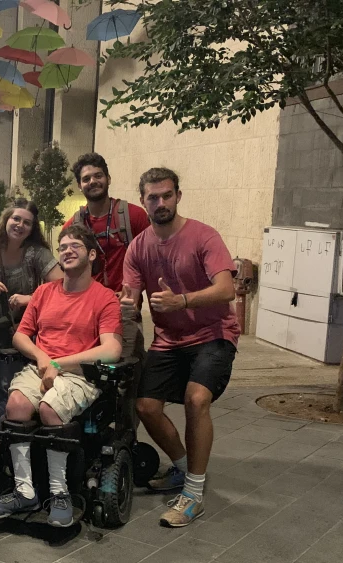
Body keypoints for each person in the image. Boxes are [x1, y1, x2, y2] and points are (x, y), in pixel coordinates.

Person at [121, 167, 239, 527]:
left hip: (214, 333)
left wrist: (183, 301)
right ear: (143, 201)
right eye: (152, 197)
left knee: (196, 399)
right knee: (145, 406)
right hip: (169, 340)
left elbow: (226, 289)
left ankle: (193, 495)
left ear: (178, 196)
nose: (160, 203)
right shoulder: (138, 246)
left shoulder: (204, 236)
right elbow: (130, 297)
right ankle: (185, 469)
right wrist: (127, 305)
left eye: (166, 195)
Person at [0, 224, 122, 527]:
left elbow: (111, 349)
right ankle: (24, 491)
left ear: (93, 256)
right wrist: (44, 358)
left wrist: (60, 364)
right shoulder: (45, 292)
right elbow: (21, 336)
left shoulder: (104, 297)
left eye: (75, 246)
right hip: (40, 366)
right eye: (63, 247)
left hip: (80, 375)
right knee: (16, 405)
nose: (67, 251)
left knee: (49, 408)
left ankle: (60, 493)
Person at [0, 200, 62, 466]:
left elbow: (61, 284)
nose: (20, 225)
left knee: (9, 388)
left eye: (26, 222)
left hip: (18, 332)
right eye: (16, 219)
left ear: (32, 228)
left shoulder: (36, 253)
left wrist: (31, 298)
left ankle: (2, 437)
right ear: (6, 218)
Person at [62, 153, 151, 364]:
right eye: (86, 179)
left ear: (108, 178)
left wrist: (135, 293)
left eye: (98, 175)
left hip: (125, 311)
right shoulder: (73, 226)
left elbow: (152, 261)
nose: (93, 181)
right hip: (87, 312)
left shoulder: (134, 216)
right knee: (89, 370)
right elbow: (64, 272)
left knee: (126, 372)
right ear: (79, 185)